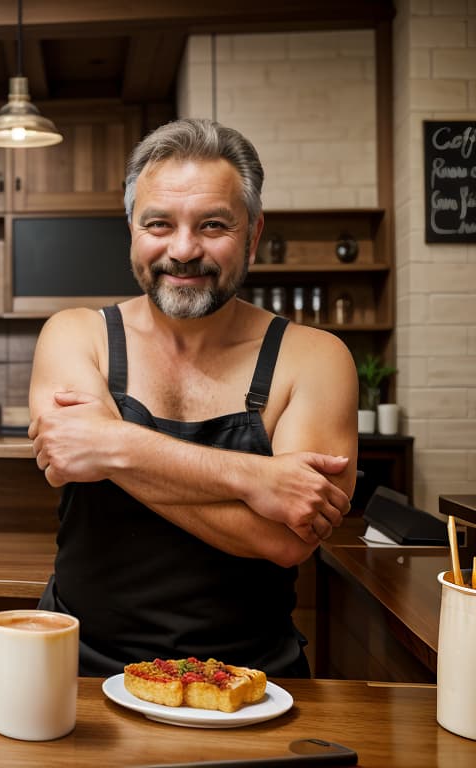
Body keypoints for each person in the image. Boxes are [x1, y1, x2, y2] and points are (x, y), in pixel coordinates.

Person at [27, 118, 358, 678]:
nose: (183, 250)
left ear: (251, 234)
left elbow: (285, 540)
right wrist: (258, 479)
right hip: (81, 670)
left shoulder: (315, 358)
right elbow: (67, 453)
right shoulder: (75, 333)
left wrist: (110, 447)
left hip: (254, 680)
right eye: (159, 223)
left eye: (212, 225)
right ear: (133, 228)